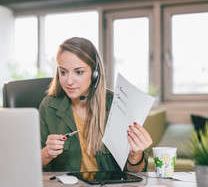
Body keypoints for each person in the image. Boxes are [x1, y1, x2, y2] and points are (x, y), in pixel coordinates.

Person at [39, 37, 152, 172]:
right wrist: (47, 153)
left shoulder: (117, 105)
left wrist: (135, 155)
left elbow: (135, 174)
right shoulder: (48, 107)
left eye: (79, 72)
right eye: (63, 72)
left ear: (95, 74)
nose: (69, 81)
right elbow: (29, 167)